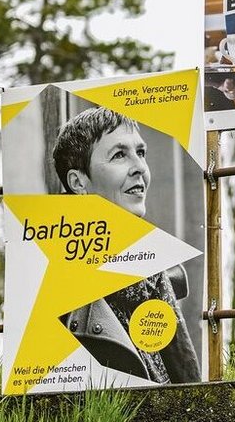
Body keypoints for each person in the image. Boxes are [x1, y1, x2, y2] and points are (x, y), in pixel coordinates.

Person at [51, 106, 200, 384]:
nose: (139, 168)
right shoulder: (59, 281)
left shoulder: (152, 274)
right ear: (78, 182)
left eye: (141, 153)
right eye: (119, 155)